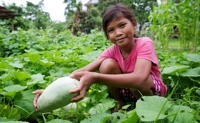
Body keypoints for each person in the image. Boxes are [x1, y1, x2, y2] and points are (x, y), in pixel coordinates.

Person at [33, 3, 167, 111]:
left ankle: (147, 111)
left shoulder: (144, 43)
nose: (118, 33)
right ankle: (121, 103)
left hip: (151, 92)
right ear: (107, 35)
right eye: (111, 30)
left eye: (122, 25)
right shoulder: (111, 51)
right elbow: (76, 74)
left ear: (133, 23)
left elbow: (139, 79)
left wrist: (95, 77)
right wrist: (48, 92)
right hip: (129, 89)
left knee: (135, 82)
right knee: (107, 65)